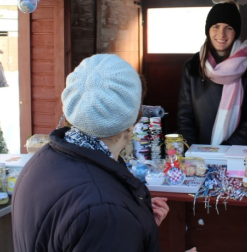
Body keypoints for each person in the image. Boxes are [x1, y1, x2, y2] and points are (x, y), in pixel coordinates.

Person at [12, 54, 196, 252]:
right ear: (133, 122)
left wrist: (135, 224)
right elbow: (99, 220)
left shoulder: (42, 160)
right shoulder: (105, 210)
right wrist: (121, 220)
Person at [177, 1, 247, 146]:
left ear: (236, 32)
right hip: (198, 153)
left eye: (228, 28)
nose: (221, 34)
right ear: (208, 30)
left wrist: (224, 150)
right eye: (216, 26)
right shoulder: (192, 66)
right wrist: (192, 150)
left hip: (237, 153)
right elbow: (185, 115)